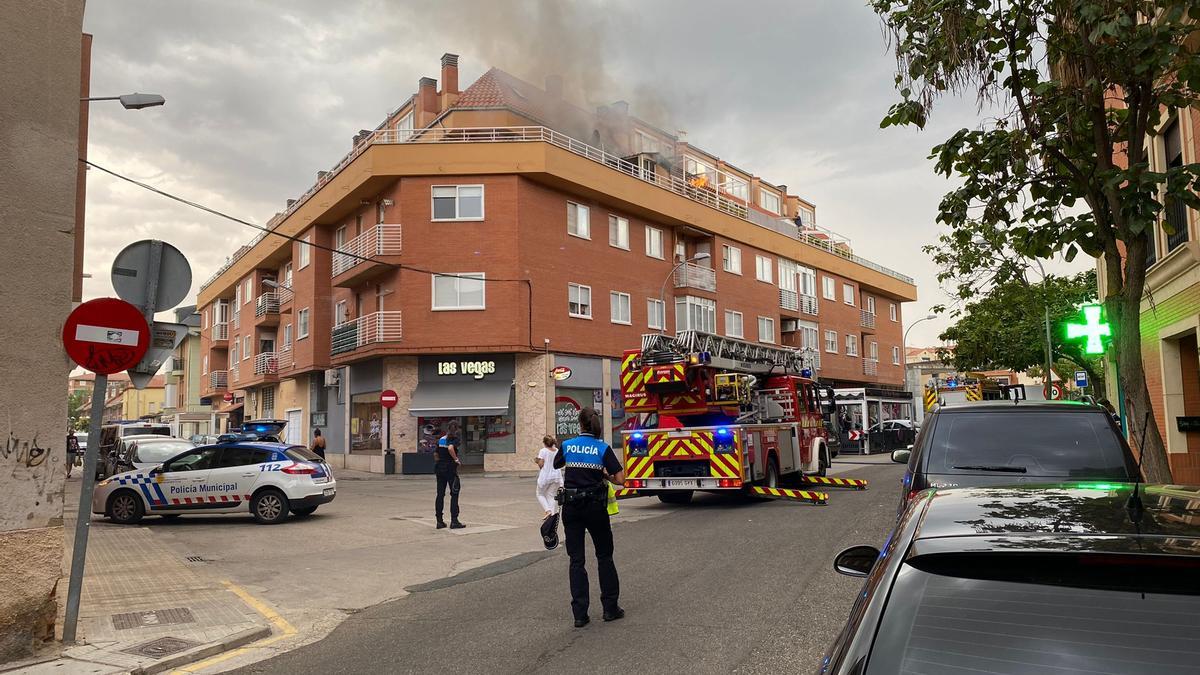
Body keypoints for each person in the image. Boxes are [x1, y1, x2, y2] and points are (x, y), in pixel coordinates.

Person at [554, 407, 625, 627]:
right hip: (595, 507)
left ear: (580, 424)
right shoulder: (602, 448)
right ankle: (610, 609)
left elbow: (557, 464)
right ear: (595, 425)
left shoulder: (567, 445)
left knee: (576, 561)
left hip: (572, 508)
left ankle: (580, 615)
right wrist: (603, 474)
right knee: (604, 556)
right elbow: (621, 479)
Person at [434, 421, 464, 529]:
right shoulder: (454, 438)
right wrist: (456, 459)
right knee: (454, 493)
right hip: (450, 468)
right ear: (456, 429)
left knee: (440, 494)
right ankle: (454, 520)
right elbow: (451, 448)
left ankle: (439, 521)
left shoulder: (441, 439)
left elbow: (436, 453)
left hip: (440, 468)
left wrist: (439, 462)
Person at [535, 435, 563, 518]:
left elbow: (541, 464)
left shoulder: (543, 451)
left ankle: (548, 510)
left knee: (539, 494)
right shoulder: (557, 450)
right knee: (550, 495)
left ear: (544, 443)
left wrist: (537, 460)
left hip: (546, 476)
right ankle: (552, 514)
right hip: (556, 476)